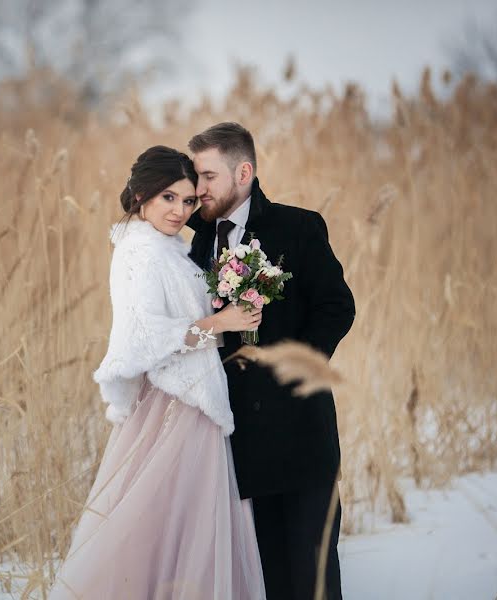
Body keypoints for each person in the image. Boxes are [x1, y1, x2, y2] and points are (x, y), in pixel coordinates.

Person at [50, 145, 266, 599]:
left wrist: (233, 307)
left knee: (181, 523)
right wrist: (220, 324)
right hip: (174, 403)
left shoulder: (169, 247)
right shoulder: (140, 252)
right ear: (142, 194)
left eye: (188, 201)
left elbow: (186, 324)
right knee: (159, 523)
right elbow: (148, 335)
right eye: (168, 198)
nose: (179, 211)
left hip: (194, 396)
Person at [186, 122, 356, 600]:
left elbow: (337, 307)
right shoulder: (193, 243)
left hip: (301, 436)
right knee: (266, 580)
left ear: (244, 171)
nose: (198, 190)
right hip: (236, 445)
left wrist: (296, 366)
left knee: (313, 578)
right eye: (195, 177)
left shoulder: (297, 227)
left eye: (208, 177)